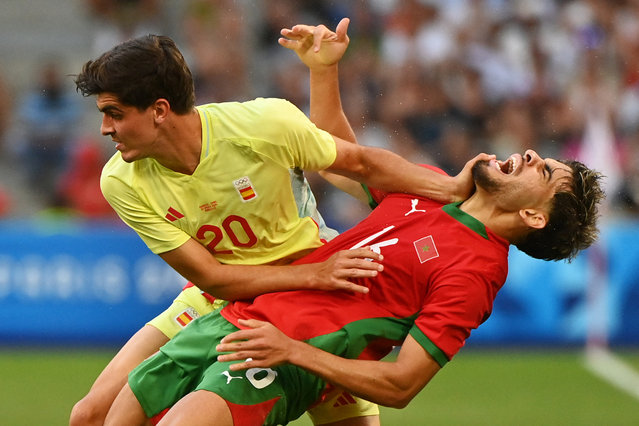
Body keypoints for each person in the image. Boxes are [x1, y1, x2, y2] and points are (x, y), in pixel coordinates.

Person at [69, 23, 485, 426]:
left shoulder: (262, 124)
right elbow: (214, 279)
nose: (105, 128)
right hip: (234, 295)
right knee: (90, 416)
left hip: (316, 300)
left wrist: (452, 188)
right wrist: (315, 274)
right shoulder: (121, 181)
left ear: (159, 110)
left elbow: (356, 163)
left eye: (114, 114)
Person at [103, 144, 605, 425]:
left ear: (534, 216)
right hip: (238, 317)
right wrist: (323, 69)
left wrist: (293, 353)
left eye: (546, 171)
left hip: (279, 359)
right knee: (103, 420)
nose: (534, 153)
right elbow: (339, 155)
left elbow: (403, 384)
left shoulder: (476, 276)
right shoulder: (433, 185)